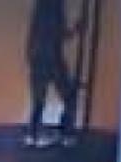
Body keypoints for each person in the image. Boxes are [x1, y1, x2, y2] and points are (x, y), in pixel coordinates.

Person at [25, 0, 84, 148]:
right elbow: (57, 32)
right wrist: (75, 30)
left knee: (39, 101)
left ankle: (34, 134)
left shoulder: (44, 6)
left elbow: (44, 32)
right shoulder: (53, 6)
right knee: (68, 96)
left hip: (39, 58)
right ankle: (64, 133)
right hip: (49, 59)